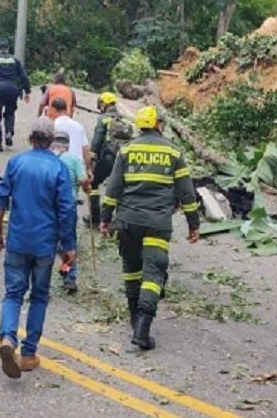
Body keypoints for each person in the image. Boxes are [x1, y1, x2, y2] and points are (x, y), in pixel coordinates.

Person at [100, 105, 200, 351]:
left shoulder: (127, 150)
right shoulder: (173, 152)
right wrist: (193, 223)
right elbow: (186, 193)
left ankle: (135, 319)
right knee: (153, 274)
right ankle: (143, 329)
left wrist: (104, 218)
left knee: (132, 270)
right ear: (158, 125)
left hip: (128, 222)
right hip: (157, 224)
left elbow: (113, 188)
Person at [0, 117, 76, 378]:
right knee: (39, 296)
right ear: (51, 140)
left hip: (17, 240)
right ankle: (28, 354)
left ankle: (7, 338)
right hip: (44, 245)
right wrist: (68, 246)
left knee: (13, 293)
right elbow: (67, 210)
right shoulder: (58, 169)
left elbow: (1, 198)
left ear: (30, 138)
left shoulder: (16, 163)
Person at [52, 131, 91, 292]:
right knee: (69, 240)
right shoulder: (74, 159)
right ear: (67, 145)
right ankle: (69, 276)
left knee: (52, 240)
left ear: (53, 143)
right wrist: (87, 188)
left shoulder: (49, 159)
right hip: (69, 206)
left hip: (50, 205)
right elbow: (83, 180)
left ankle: (60, 269)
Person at [87, 93, 134, 228]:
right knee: (120, 188)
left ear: (103, 104)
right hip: (123, 160)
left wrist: (91, 159)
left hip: (107, 159)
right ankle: (120, 221)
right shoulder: (124, 119)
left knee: (94, 183)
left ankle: (95, 217)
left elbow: (97, 141)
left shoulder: (104, 119)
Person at [0, 39, 31, 152]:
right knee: (10, 113)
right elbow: (24, 77)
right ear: (8, 48)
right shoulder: (15, 60)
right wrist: (27, 91)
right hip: (13, 89)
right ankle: (9, 132)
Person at [52, 105, 92, 174]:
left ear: (54, 111)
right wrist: (88, 169)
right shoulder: (79, 126)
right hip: (77, 169)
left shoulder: (52, 125)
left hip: (57, 167)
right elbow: (86, 149)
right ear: (67, 110)